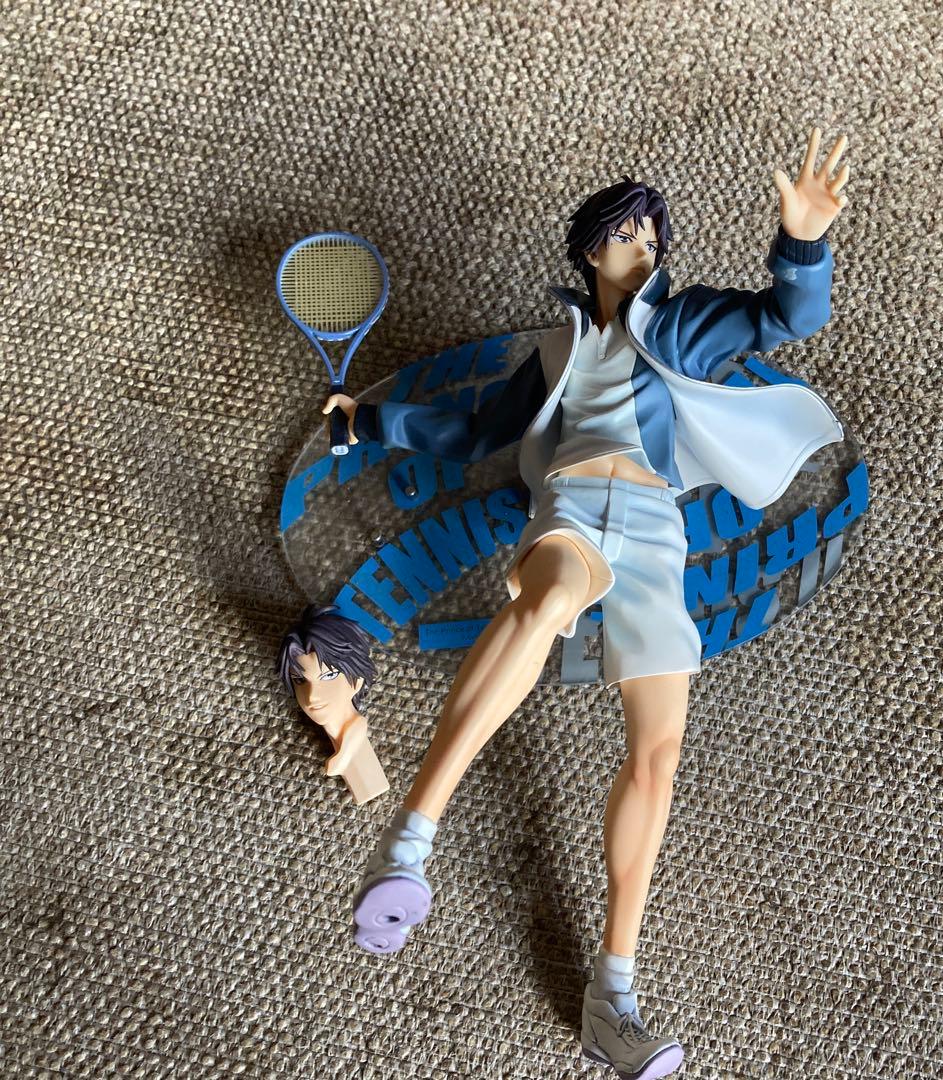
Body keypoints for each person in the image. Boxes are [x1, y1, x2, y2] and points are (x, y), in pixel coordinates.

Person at [325, 127, 851, 1079]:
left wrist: (803, 239)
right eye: (624, 233)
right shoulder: (557, 348)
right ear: (589, 250)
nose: (642, 246)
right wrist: (369, 420)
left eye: (652, 234)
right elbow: (475, 431)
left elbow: (787, 316)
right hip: (571, 508)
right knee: (543, 606)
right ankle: (407, 844)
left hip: (654, 528)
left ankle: (614, 996)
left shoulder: (683, 321)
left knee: (659, 754)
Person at [277, 604, 387, 804]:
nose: (312, 696)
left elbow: (359, 726)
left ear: (357, 680)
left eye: (328, 676)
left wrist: (343, 756)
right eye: (300, 680)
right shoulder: (338, 730)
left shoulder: (355, 728)